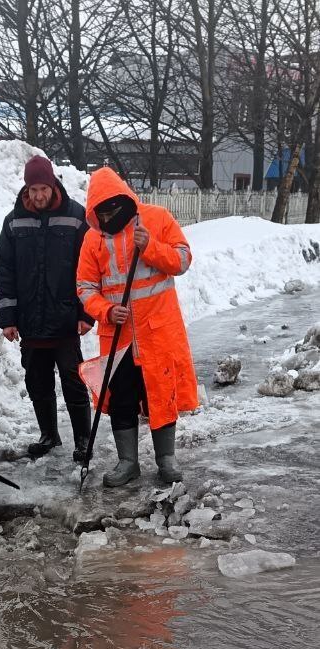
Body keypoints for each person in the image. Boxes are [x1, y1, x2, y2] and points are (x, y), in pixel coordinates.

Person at [77, 167, 198, 486]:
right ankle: (127, 462)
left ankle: (166, 460)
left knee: (161, 392)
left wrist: (152, 248)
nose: (107, 218)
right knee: (121, 398)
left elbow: (183, 260)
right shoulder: (92, 239)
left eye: (111, 210)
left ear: (124, 200)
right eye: (100, 213)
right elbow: (85, 287)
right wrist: (105, 310)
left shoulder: (156, 219)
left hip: (158, 330)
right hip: (117, 337)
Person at [0, 155, 93, 461]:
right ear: (27, 188)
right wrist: (8, 317)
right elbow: (5, 270)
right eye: (33, 189)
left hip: (65, 319)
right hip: (30, 320)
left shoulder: (77, 216)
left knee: (73, 381)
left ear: (53, 185)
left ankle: (82, 440)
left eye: (43, 189)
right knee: (37, 382)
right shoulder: (13, 221)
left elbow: (91, 267)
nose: (39, 195)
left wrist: (87, 312)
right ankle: (49, 435)